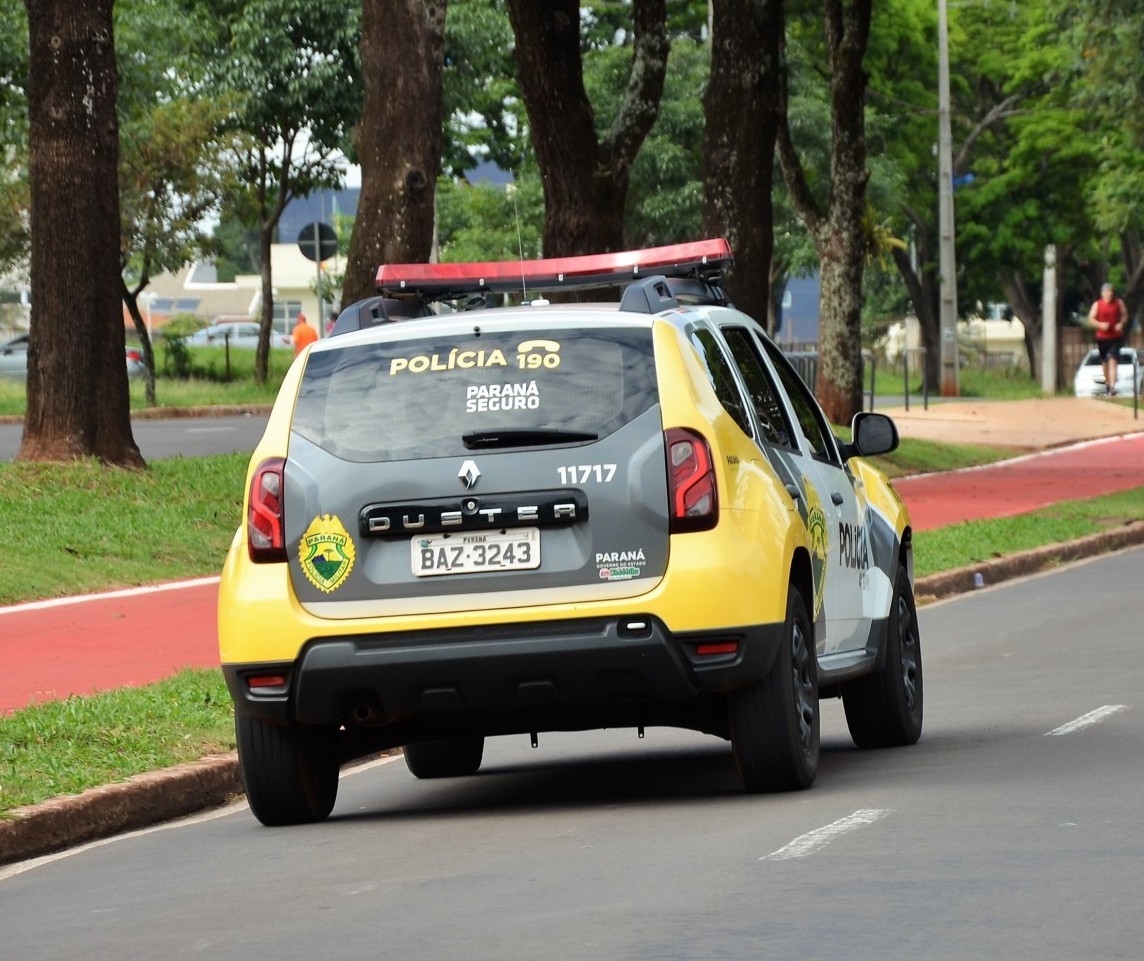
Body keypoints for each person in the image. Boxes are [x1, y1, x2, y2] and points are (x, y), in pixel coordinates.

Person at [1087, 283, 1128, 395]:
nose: (1109, 293)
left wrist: (1121, 323)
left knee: (1113, 360)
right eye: (1107, 291)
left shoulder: (1119, 303)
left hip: (1115, 337)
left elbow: (1125, 315)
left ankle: (1113, 387)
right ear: (1102, 293)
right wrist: (1100, 325)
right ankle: (1108, 384)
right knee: (1105, 362)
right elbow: (1090, 319)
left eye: (1111, 291)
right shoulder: (1097, 304)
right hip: (1102, 338)